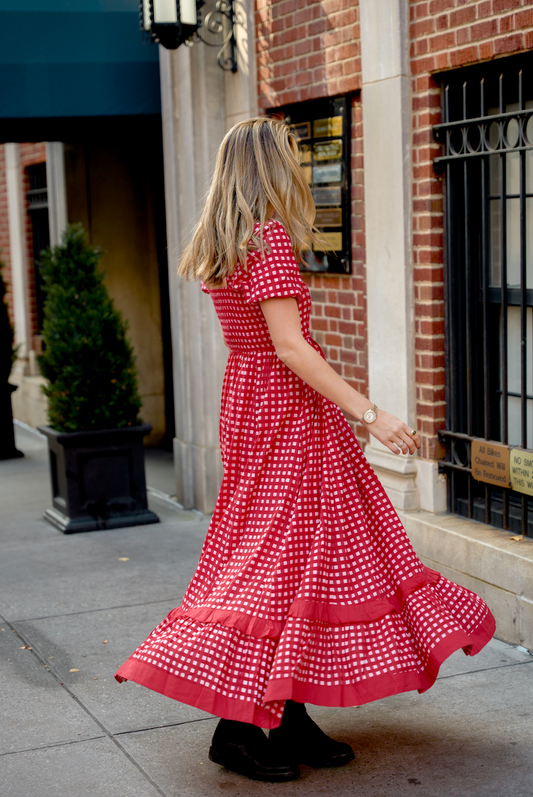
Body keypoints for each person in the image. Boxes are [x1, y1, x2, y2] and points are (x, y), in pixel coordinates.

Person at [115, 117, 495, 783]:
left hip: (252, 401)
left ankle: (284, 713)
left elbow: (268, 347)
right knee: (278, 562)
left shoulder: (225, 241)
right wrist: (369, 412)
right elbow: (289, 347)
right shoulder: (267, 241)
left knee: (302, 558)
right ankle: (236, 729)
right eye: (290, 157)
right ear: (269, 167)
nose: (297, 167)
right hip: (285, 407)